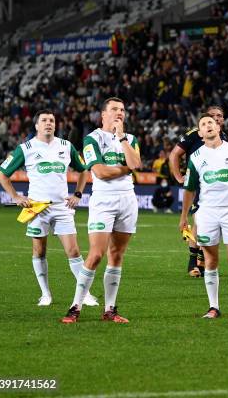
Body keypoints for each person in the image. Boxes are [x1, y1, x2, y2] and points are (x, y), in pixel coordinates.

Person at [0, 109, 97, 307]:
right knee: (39, 250)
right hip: (37, 208)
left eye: (51, 120)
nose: (48, 123)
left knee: (74, 251)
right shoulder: (26, 148)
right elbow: (2, 173)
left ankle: (84, 294)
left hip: (62, 207)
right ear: (36, 125)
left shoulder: (66, 146)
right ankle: (45, 294)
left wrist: (77, 194)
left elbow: (84, 170)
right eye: (44, 120)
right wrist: (15, 196)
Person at [62, 97, 142, 323]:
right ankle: (75, 307)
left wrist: (122, 138)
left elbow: (136, 165)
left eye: (123, 109)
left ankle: (110, 310)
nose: (119, 113)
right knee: (96, 255)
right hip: (103, 201)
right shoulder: (92, 139)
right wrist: (125, 168)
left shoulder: (131, 139)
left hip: (128, 200)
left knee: (116, 255)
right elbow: (100, 172)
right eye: (114, 109)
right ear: (103, 115)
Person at [179, 113, 228, 320]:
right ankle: (213, 307)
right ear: (200, 132)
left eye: (211, 123)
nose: (208, 126)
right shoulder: (195, 157)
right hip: (206, 213)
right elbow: (189, 189)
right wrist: (184, 216)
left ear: (218, 127)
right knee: (210, 260)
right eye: (203, 124)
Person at [169, 105, 227, 277]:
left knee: (204, 225)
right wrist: (179, 177)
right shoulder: (194, 134)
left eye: (220, 116)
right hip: (198, 186)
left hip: (216, 187)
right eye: (213, 116)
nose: (216, 119)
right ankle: (195, 262)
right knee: (201, 223)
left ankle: (198, 262)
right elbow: (174, 155)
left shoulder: (224, 138)